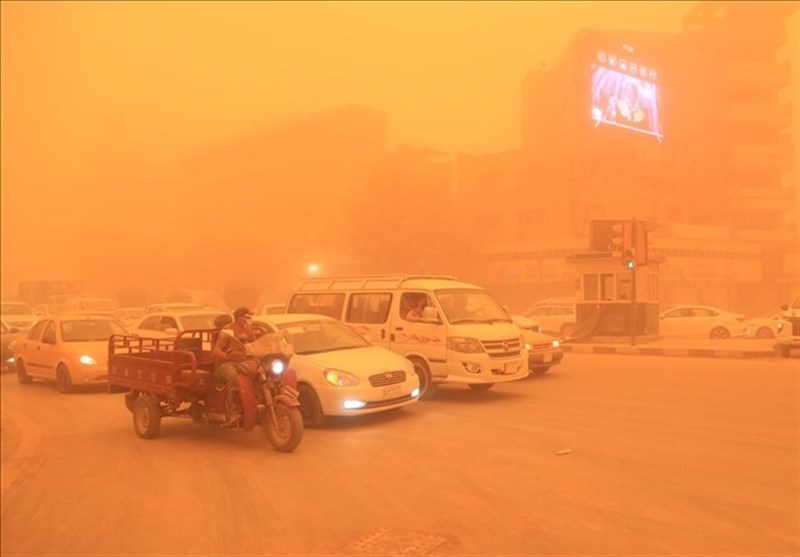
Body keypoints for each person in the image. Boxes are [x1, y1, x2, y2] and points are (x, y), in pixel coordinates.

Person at [211, 306, 257, 425]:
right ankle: (233, 411)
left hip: (243, 363)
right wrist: (227, 357)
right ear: (239, 318)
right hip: (226, 365)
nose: (249, 319)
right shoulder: (228, 330)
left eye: (249, 317)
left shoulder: (249, 331)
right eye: (246, 317)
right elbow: (216, 350)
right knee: (234, 377)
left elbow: (255, 347)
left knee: (262, 372)